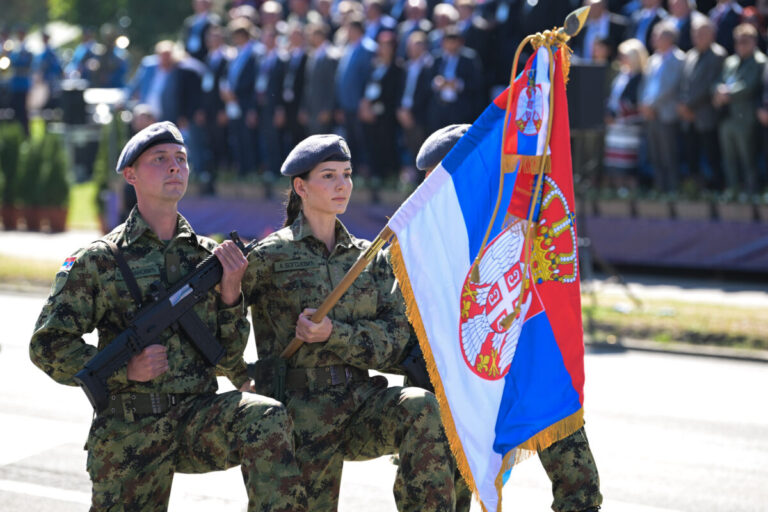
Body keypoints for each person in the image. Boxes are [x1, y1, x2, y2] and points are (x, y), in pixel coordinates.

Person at [29, 121, 307, 512]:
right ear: (131, 174)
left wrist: (230, 294)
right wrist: (125, 370)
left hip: (196, 418)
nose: (175, 167)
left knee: (266, 417)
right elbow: (47, 345)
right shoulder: (100, 259)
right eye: (160, 160)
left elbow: (227, 359)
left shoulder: (207, 257)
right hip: (131, 428)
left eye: (181, 159)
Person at [242, 134, 457, 511]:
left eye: (347, 174)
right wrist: (239, 375)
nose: (342, 184)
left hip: (359, 403)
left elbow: (395, 335)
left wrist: (333, 335)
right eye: (328, 176)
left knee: (420, 407)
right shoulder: (270, 257)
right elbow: (221, 318)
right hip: (298, 411)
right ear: (300, 187)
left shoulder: (368, 258)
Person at [414, 124, 603, 512]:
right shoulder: (418, 248)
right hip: (460, 390)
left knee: (580, 485)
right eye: (431, 185)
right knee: (445, 499)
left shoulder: (523, 223)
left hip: (528, 371)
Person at [713, 23, 766, 194]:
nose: (741, 45)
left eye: (745, 41)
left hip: (746, 118)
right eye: (738, 41)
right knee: (729, 159)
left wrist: (726, 93)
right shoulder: (730, 61)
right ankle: (733, 192)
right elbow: (718, 81)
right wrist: (717, 91)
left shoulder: (760, 62)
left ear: (754, 42)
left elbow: (749, 85)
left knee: (748, 159)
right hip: (727, 117)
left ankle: (751, 194)